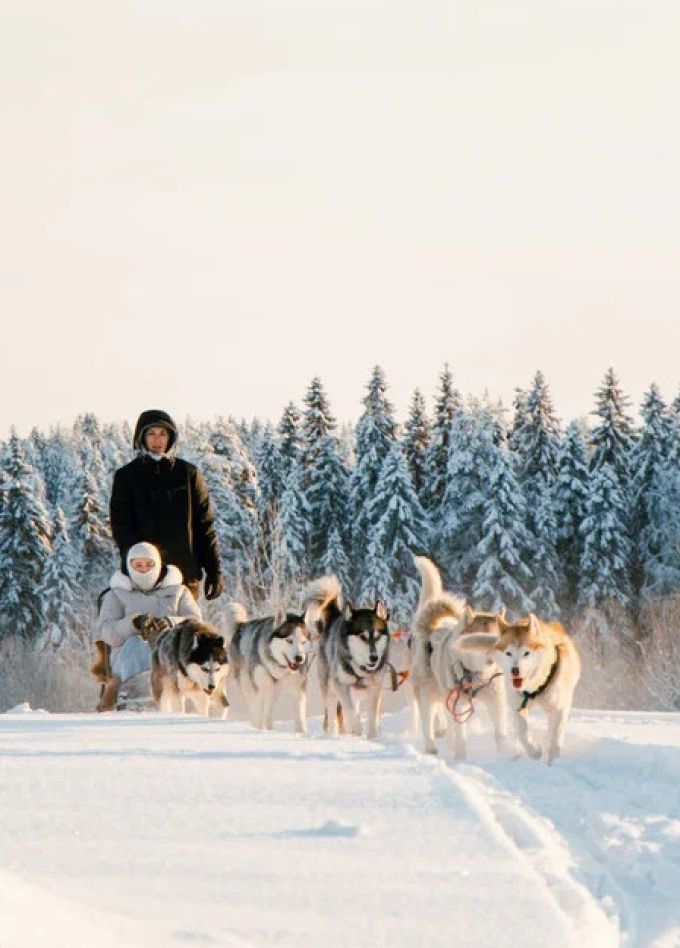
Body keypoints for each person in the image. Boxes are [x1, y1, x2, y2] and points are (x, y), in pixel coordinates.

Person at [110, 409, 224, 602]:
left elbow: (204, 526)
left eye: (163, 433)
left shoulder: (188, 475)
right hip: (142, 577)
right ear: (141, 437)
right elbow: (121, 528)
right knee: (147, 632)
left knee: (185, 631)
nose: (157, 440)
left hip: (184, 576)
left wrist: (214, 570)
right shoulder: (127, 477)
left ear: (171, 438)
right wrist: (138, 565)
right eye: (151, 433)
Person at [93, 541, 202, 711]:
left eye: (149, 564)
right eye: (138, 565)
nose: (144, 570)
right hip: (127, 658)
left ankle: (170, 693)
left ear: (157, 565)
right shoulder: (116, 594)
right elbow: (106, 632)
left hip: (169, 653)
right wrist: (133, 624)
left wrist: (170, 623)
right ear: (129, 567)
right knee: (138, 643)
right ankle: (134, 693)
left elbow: (195, 622)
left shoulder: (179, 592)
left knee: (165, 650)